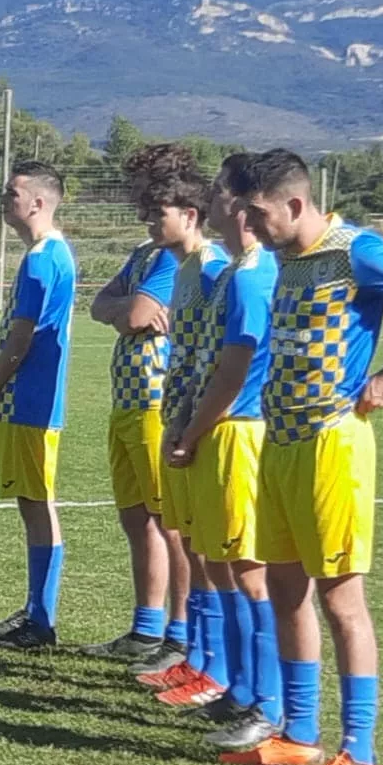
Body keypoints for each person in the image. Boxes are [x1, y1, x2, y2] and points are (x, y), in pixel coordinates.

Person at [218, 150, 383, 765]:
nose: (253, 225)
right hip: (282, 441)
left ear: (294, 204)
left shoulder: (358, 252)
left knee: (340, 597)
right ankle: (299, 736)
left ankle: (362, 751)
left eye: (259, 214)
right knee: (287, 588)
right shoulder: (285, 260)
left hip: (331, 443)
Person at [165, 154, 285, 753]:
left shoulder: (251, 275)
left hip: (239, 431)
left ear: (240, 206)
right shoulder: (235, 272)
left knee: (249, 570)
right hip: (214, 428)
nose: (210, 207)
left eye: (217, 197)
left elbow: (235, 369)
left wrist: (190, 428)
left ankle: (265, 700)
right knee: (220, 559)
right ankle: (236, 685)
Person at [80, 145, 190, 668]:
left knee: (169, 521)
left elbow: (140, 313)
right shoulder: (144, 255)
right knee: (135, 519)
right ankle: (145, 628)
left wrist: (126, 309)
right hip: (125, 401)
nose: (142, 211)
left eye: (150, 201)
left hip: (155, 403)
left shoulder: (175, 258)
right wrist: (125, 309)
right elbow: (103, 306)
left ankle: (180, 633)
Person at [0, 161, 78, 650]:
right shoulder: (46, 254)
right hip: (28, 402)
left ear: (38, 202)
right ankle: (36, 610)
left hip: (30, 402)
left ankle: (42, 619)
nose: (4, 198)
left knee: (38, 505)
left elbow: (21, 336)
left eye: (12, 192)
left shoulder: (43, 260)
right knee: (32, 504)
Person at [141, 161, 233, 709]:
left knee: (213, 555)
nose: (152, 222)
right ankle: (198, 660)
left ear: (191, 215)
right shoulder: (180, 271)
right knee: (194, 547)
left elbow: (225, 355)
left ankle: (216, 669)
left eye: (160, 213)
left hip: (210, 429)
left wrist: (196, 423)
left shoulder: (216, 268)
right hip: (177, 417)